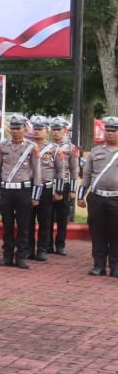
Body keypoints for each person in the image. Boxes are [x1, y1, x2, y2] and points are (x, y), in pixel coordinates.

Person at [0, 114, 40, 269]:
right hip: (6, 190)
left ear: (25, 129)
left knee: (23, 226)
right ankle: (7, 256)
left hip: (23, 190)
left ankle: (21, 257)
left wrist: (35, 195)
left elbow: (37, 172)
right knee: (7, 225)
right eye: (12, 129)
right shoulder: (2, 147)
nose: (15, 132)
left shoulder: (31, 147)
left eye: (18, 128)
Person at [78, 116, 118, 276]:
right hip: (97, 198)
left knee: (116, 233)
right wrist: (81, 196)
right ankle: (99, 265)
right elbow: (86, 176)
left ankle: (115, 266)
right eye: (108, 131)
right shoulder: (96, 152)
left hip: (116, 199)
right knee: (98, 232)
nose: (110, 134)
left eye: (114, 131)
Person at [30, 116, 64, 262]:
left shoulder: (54, 149)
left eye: (40, 129)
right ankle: (28, 249)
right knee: (27, 220)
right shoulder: (27, 147)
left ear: (47, 131)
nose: (37, 132)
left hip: (46, 189)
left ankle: (42, 249)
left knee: (45, 220)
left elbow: (60, 171)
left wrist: (59, 191)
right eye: (35, 129)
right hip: (29, 188)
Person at [51, 118, 78, 255]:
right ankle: (47, 244)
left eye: (58, 130)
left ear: (65, 131)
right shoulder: (46, 146)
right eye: (53, 129)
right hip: (48, 185)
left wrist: (73, 189)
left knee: (62, 216)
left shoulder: (71, 148)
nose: (55, 132)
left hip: (65, 184)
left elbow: (74, 170)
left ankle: (60, 244)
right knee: (47, 216)